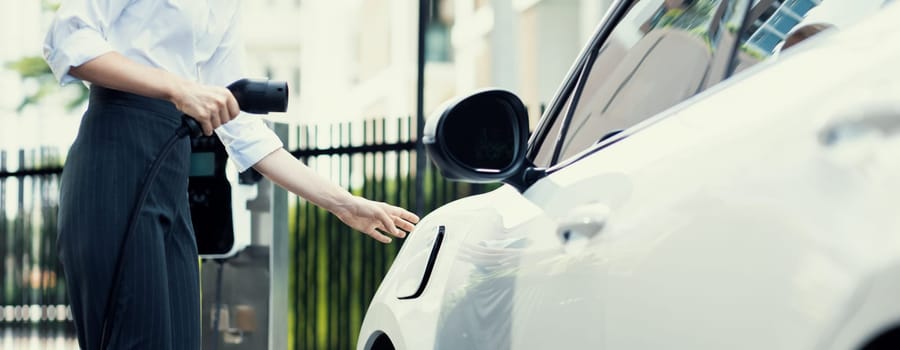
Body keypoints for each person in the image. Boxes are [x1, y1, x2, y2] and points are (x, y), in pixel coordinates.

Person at [42, 0, 419, 348]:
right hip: (116, 161)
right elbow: (67, 38)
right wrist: (178, 88)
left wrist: (343, 203)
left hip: (171, 175)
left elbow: (244, 129)